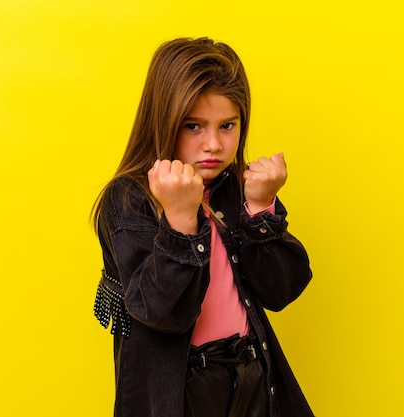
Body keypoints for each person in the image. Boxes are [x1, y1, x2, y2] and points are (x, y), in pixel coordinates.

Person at [92, 37, 314, 417]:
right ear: (163, 121)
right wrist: (179, 219)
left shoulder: (233, 188)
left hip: (250, 374)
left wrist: (261, 208)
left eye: (227, 125)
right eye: (193, 126)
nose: (213, 144)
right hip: (181, 390)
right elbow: (161, 313)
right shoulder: (129, 199)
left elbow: (282, 291)